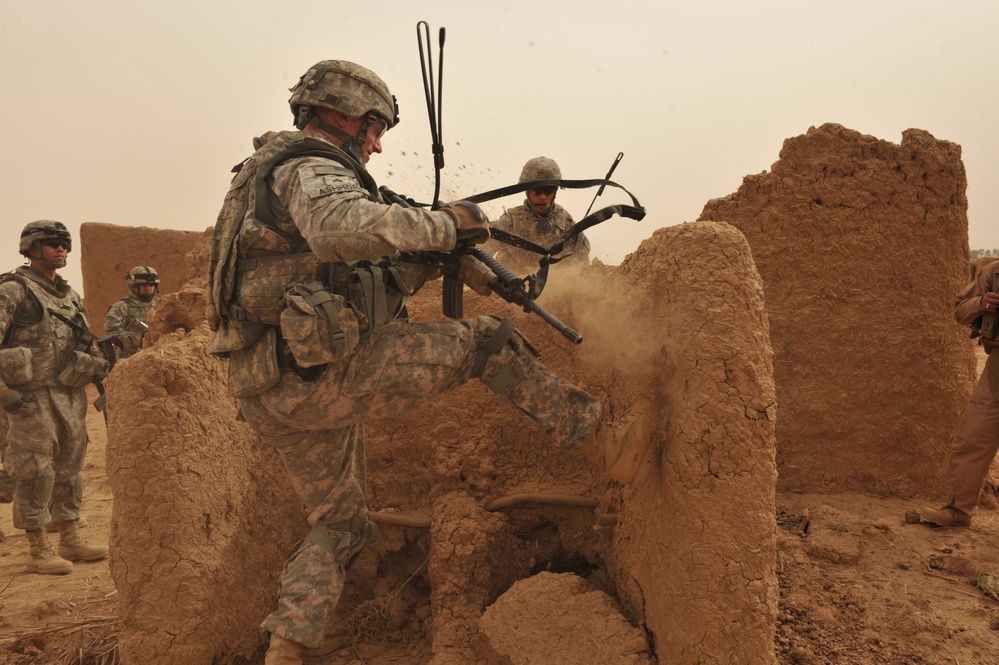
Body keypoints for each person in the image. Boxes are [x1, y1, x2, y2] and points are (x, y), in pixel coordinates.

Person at [206, 60, 656, 665]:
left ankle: (285, 649)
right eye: (374, 127)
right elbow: (343, 230)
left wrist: (476, 267)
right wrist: (444, 224)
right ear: (342, 114)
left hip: (273, 388)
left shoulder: (264, 177)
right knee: (489, 344)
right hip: (318, 375)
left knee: (341, 526)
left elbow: (361, 266)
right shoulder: (308, 166)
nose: (378, 142)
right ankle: (607, 446)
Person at [0, 221, 109, 574]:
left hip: (68, 393)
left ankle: (69, 535)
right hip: (29, 396)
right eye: (51, 243)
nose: (61, 249)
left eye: (64, 243)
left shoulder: (68, 294)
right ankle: (37, 546)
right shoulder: (15, 290)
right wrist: (5, 393)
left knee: (70, 466)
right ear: (32, 249)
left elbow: (82, 339)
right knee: (35, 468)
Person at [919, 259, 999, 528]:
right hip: (996, 373)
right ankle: (959, 511)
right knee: (972, 440)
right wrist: (981, 304)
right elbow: (960, 312)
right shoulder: (993, 272)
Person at [486, 156, 591, 274]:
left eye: (548, 190)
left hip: (556, 291)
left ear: (555, 190)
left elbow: (583, 270)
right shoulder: (510, 222)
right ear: (527, 191)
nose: (542, 197)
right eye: (536, 190)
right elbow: (481, 253)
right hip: (511, 289)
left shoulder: (568, 227)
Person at [104, 265, 159, 359]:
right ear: (133, 286)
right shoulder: (121, 307)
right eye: (144, 285)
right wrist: (141, 339)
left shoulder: (160, 306)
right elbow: (112, 335)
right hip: (130, 362)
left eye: (151, 285)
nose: (148, 288)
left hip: (157, 358)